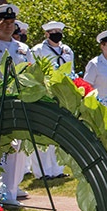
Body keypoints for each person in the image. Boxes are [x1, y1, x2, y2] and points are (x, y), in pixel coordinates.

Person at [0, 4, 35, 207]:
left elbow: (32, 74)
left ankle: (9, 193)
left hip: (17, 103)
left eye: (11, 24)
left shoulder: (23, 49)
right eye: (4, 23)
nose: (8, 27)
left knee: (15, 148)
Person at [30, 21, 74, 179]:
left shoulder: (67, 50)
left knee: (59, 133)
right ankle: (42, 172)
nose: (57, 34)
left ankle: (58, 170)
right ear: (46, 34)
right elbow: (33, 73)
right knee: (43, 134)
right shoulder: (37, 50)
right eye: (53, 31)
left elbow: (71, 72)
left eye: (59, 31)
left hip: (62, 95)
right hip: (45, 94)